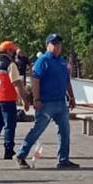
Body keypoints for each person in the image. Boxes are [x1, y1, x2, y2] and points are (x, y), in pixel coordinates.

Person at [15, 34, 79, 170]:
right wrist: (36, 99)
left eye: (59, 44)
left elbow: (67, 81)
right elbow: (35, 80)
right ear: (47, 45)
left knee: (65, 131)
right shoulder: (43, 61)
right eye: (54, 44)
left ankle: (63, 159)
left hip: (61, 102)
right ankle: (21, 154)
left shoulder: (62, 61)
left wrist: (72, 97)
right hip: (46, 103)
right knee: (37, 130)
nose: (57, 47)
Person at [0, 41, 28, 160]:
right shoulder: (10, 64)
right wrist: (24, 99)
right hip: (7, 98)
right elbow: (16, 83)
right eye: (13, 51)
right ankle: (8, 150)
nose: (14, 53)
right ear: (9, 51)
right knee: (10, 124)